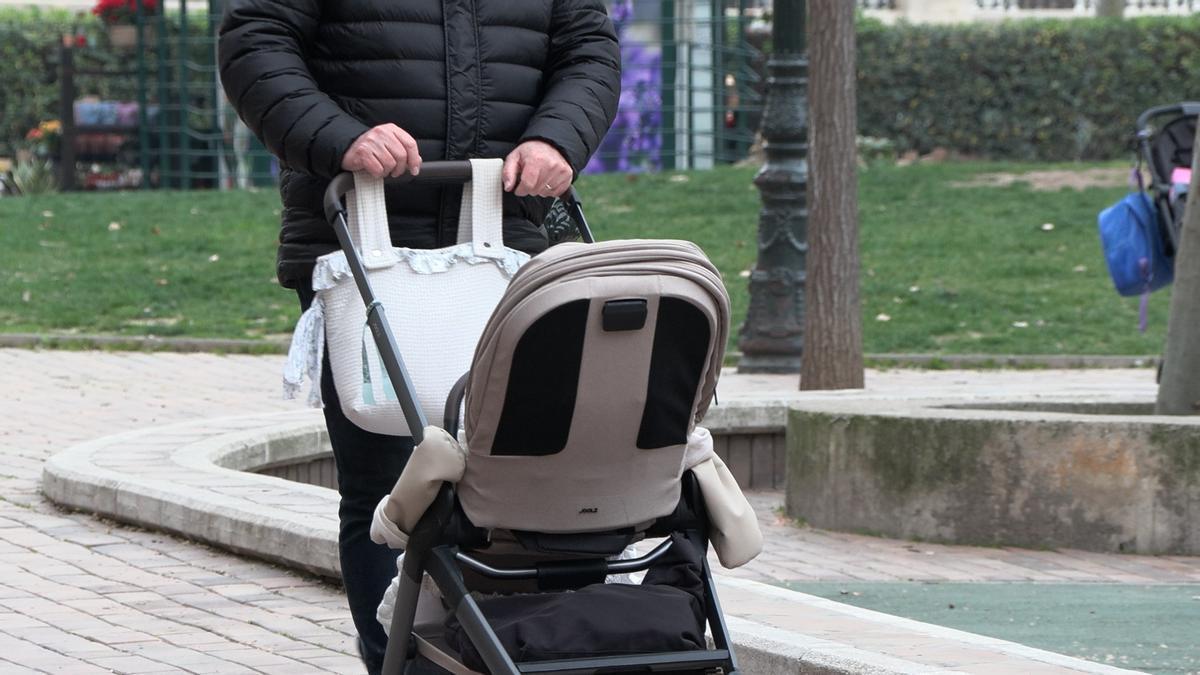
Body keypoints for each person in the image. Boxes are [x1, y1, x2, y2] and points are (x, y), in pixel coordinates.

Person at [217, 4, 620, 673]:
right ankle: (399, 662)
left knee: (522, 473)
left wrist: (557, 140)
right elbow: (255, 38)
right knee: (386, 482)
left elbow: (586, 47)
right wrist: (338, 136)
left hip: (503, 233)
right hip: (365, 239)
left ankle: (512, 651)